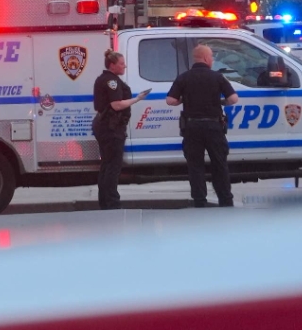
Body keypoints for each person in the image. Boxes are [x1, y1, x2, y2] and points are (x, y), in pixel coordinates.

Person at [166, 44, 240, 207]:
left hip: (192, 128)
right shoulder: (217, 77)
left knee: (195, 165)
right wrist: (221, 101)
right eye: (212, 57)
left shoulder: (184, 77)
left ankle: (200, 200)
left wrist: (184, 100)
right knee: (219, 164)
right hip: (214, 127)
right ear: (206, 58)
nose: (212, 60)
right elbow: (234, 99)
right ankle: (225, 199)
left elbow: (170, 100)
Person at [91, 50, 149, 210]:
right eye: (122, 64)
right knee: (112, 167)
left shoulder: (105, 79)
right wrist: (137, 99)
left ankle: (105, 201)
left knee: (107, 165)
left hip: (106, 126)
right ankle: (112, 203)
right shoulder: (111, 81)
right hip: (111, 128)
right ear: (113, 65)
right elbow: (116, 105)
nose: (125, 66)